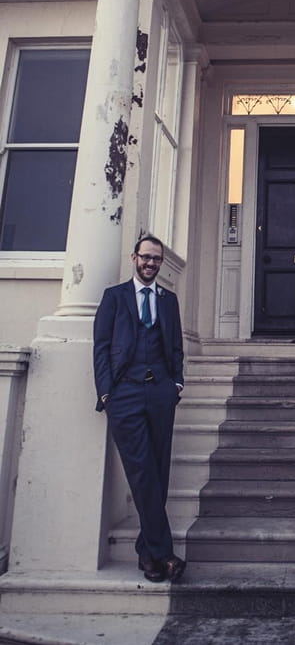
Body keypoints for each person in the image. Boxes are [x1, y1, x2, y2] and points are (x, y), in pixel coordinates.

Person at [93, 234, 186, 584]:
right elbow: (101, 347)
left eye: (156, 260)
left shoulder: (168, 300)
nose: (150, 264)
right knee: (143, 472)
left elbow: (175, 347)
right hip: (125, 394)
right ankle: (164, 553)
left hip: (161, 393)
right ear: (134, 257)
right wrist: (106, 393)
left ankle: (148, 557)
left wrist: (176, 384)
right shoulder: (114, 297)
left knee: (158, 472)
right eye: (145, 257)